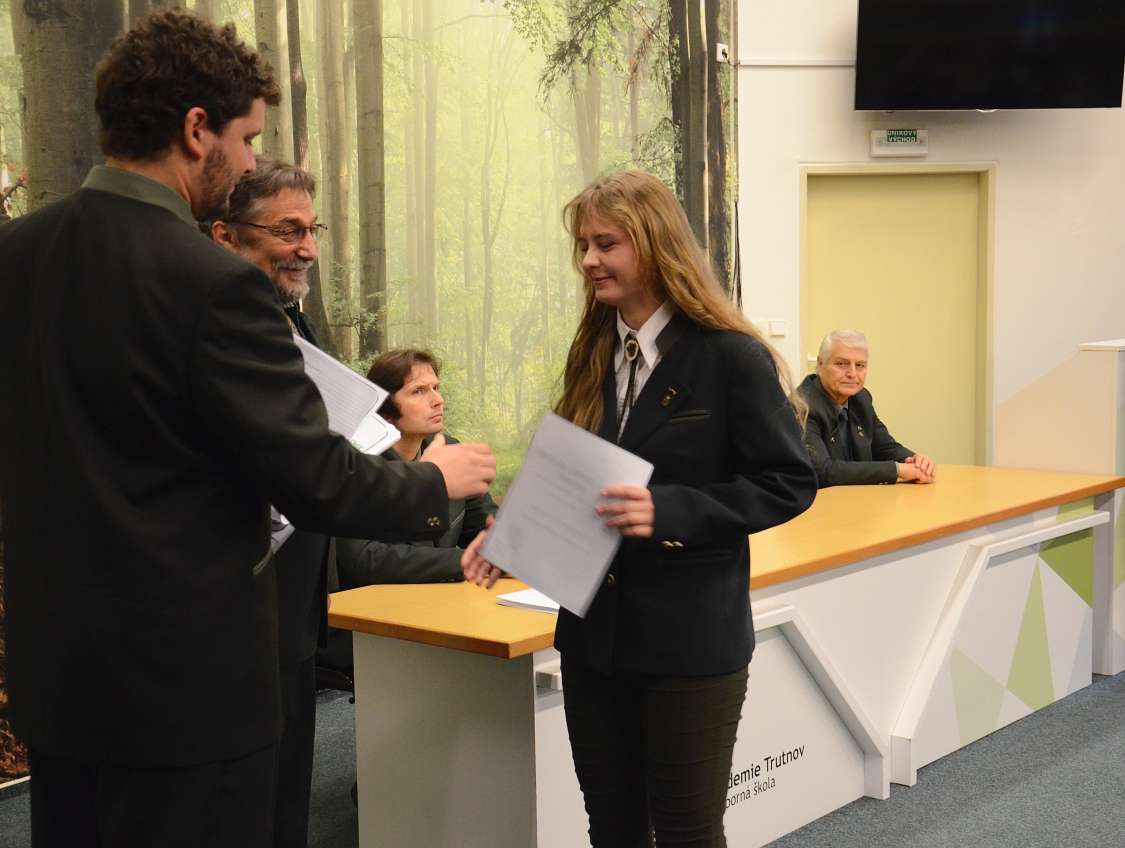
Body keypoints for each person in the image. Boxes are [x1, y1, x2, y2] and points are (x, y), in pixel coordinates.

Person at [0, 11, 494, 848]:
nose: (250, 161)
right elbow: (316, 479)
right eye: (247, 138)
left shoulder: (3, 259)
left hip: (59, 679)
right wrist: (434, 480)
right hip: (188, 693)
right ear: (195, 129)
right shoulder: (214, 285)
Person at [461, 170, 816, 847]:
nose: (589, 261)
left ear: (654, 245)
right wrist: (511, 537)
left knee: (686, 835)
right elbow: (577, 478)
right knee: (613, 831)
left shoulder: (730, 357)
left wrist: (670, 511)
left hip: (690, 639)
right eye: (583, 246)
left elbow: (788, 482)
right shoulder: (593, 350)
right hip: (593, 640)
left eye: (606, 243)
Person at [206, 157, 330, 848]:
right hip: (237, 606)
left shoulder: (293, 319)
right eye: (288, 231)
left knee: (287, 796)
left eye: (312, 230)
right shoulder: (214, 325)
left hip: (293, 611)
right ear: (226, 234)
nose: (306, 248)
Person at [315, 347, 498, 678]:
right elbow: (365, 560)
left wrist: (506, 550)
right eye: (418, 391)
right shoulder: (359, 468)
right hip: (373, 624)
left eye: (436, 388)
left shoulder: (449, 452)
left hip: (440, 610)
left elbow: (487, 525)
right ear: (385, 410)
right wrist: (467, 563)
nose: (437, 400)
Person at [796, 329, 935, 488]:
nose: (852, 373)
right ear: (821, 365)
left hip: (858, 498)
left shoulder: (860, 399)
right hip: (818, 501)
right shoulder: (800, 406)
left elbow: (884, 447)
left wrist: (915, 461)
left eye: (860, 365)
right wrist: (897, 470)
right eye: (842, 364)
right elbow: (824, 472)